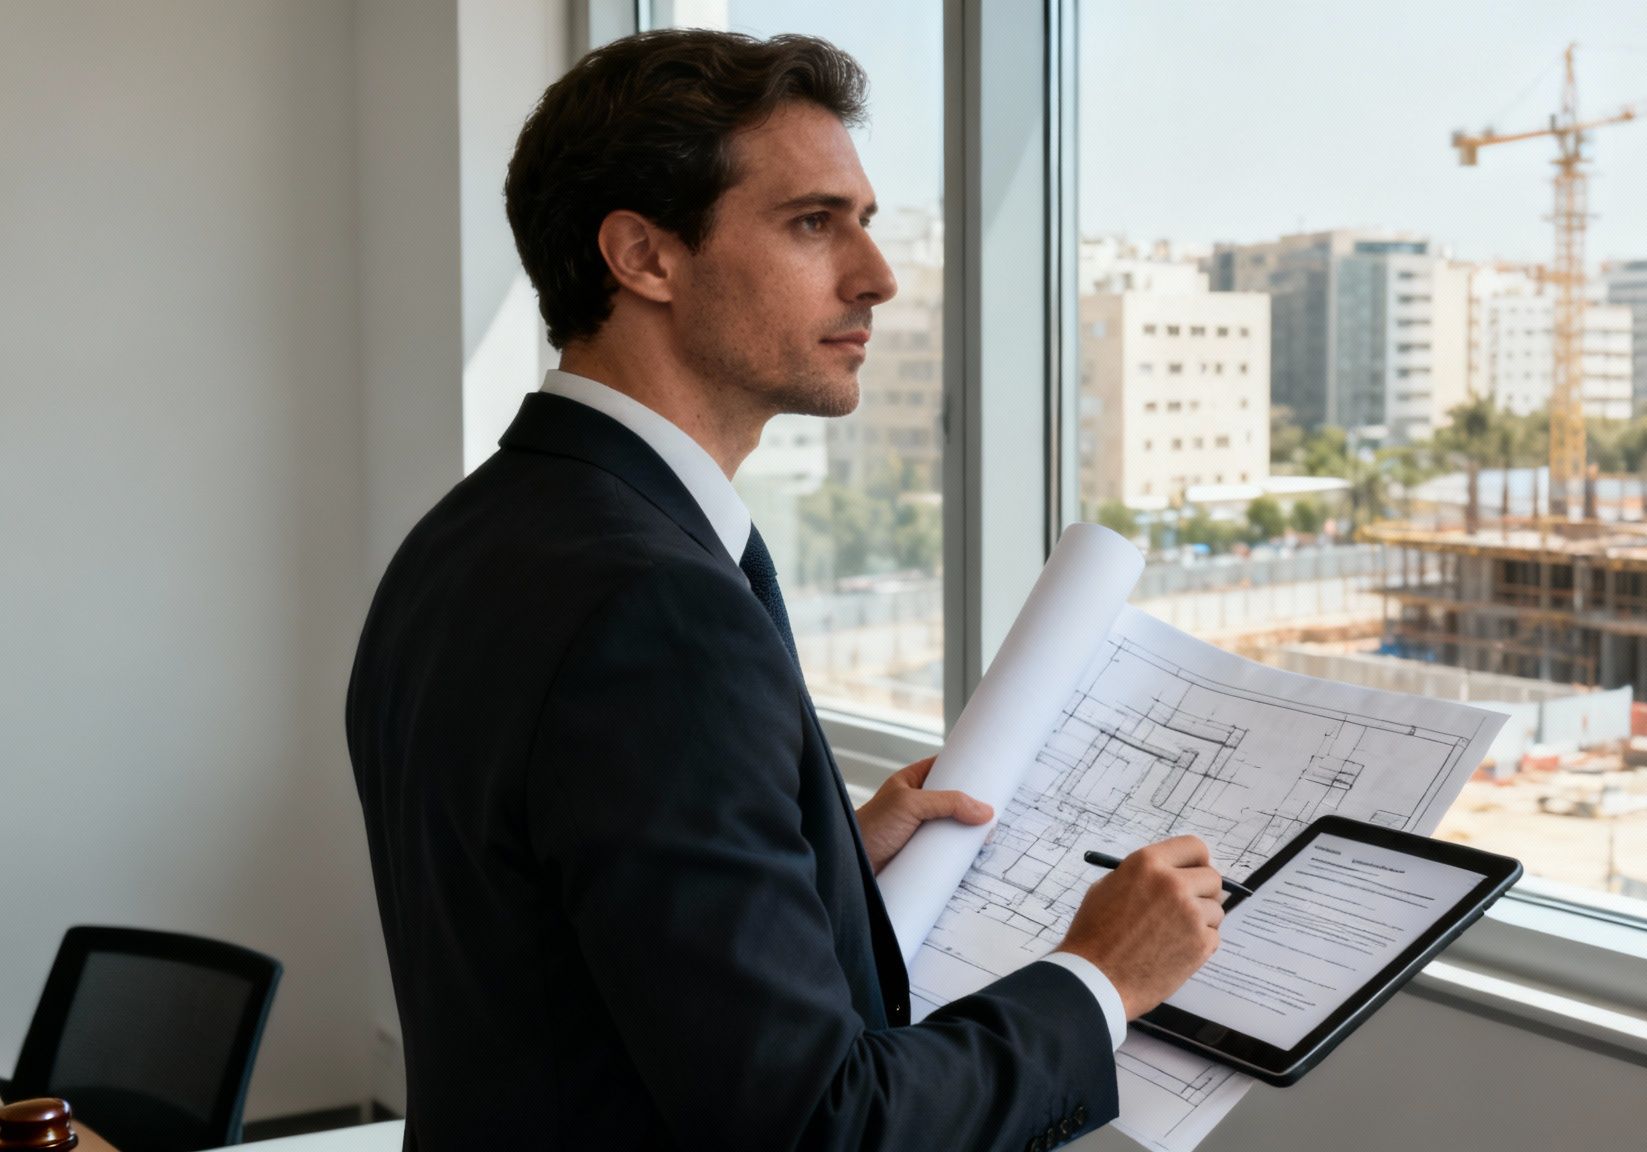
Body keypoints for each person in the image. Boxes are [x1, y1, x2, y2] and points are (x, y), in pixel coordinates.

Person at [345, 29, 1224, 1152]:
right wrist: (1098, 978)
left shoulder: (467, 539)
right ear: (643, 257)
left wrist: (820, 861)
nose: (878, 274)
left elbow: (545, 920)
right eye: (814, 223)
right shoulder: (655, 612)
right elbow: (821, 1129)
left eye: (861, 219)